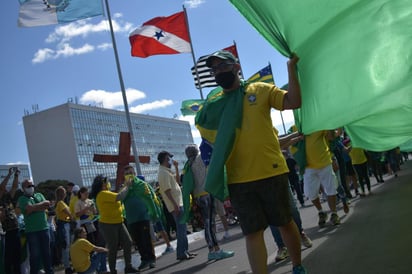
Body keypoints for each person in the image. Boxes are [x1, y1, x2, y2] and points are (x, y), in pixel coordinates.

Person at [196, 50, 305, 274]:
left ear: (237, 67)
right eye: (214, 69)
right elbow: (206, 129)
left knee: (285, 223)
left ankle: (297, 266)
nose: (219, 72)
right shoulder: (214, 105)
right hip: (239, 180)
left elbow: (293, 101)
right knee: (253, 233)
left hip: (272, 172)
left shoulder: (260, 90)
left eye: (224, 67)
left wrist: (290, 68)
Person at [182, 144, 235, 261]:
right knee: (210, 225)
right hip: (206, 195)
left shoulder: (188, 165)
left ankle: (212, 250)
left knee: (207, 225)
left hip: (198, 197)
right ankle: (216, 250)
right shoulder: (200, 159)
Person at [90, 175, 138, 274]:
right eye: (106, 182)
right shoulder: (102, 194)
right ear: (102, 184)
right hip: (108, 224)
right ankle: (113, 270)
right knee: (113, 247)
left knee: (128, 242)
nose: (108, 184)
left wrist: (124, 187)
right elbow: (119, 196)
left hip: (118, 221)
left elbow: (118, 196)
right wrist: (127, 186)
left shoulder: (107, 193)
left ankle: (128, 266)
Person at [157, 151, 196, 261]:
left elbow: (178, 181)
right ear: (165, 159)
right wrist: (175, 205)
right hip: (176, 205)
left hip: (178, 203)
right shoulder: (163, 173)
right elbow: (167, 191)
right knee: (181, 229)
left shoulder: (167, 171)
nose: (171, 159)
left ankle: (185, 251)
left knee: (183, 229)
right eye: (169, 157)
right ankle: (181, 253)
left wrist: (177, 168)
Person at [123, 166, 161, 270]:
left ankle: (151, 260)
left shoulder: (142, 185)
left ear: (134, 173)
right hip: (131, 219)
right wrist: (127, 187)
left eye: (131, 172)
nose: (129, 175)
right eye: (127, 173)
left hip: (143, 216)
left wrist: (154, 213)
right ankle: (144, 259)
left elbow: (150, 198)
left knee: (146, 239)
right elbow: (120, 199)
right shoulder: (123, 188)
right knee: (138, 241)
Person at [17, 179, 54, 274]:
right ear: (23, 188)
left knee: (47, 254)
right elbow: (28, 210)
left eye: (32, 185)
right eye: (28, 186)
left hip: (44, 228)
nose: (31, 187)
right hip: (32, 231)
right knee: (35, 255)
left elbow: (47, 204)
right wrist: (40, 206)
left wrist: (34, 207)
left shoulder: (39, 195)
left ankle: (49, 272)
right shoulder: (22, 199)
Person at [0, 167, 21, 274]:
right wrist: (9, 174)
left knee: (17, 255)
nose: (4, 189)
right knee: (8, 257)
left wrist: (16, 175)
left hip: (16, 229)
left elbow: (14, 186)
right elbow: (2, 186)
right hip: (7, 232)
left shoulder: (7, 198)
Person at [55, 186, 75, 274]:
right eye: (63, 192)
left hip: (66, 224)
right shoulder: (60, 203)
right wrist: (72, 218)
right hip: (64, 224)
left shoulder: (61, 203)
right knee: (66, 246)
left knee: (68, 246)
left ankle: (69, 265)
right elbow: (69, 213)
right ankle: (67, 267)